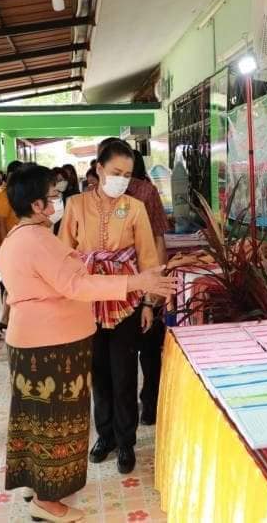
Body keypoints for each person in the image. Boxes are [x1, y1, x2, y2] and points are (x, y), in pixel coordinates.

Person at [0, 165, 177, 522]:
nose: (56, 203)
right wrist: (136, 282)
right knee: (55, 421)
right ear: (36, 204)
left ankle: (36, 484)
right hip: (51, 346)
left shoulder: (18, 237)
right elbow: (77, 286)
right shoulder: (39, 240)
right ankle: (48, 502)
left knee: (34, 418)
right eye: (51, 197)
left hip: (33, 340)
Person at [59, 140, 159, 474]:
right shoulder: (75, 205)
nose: (121, 180)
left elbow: (147, 257)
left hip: (126, 301)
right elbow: (63, 255)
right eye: (116, 172)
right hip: (87, 301)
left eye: (127, 175)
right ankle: (105, 436)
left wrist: (149, 303)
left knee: (125, 372)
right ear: (99, 169)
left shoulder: (135, 207)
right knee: (98, 372)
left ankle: (126, 441)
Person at [126, 149, 170, 425]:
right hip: (130, 284)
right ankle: (146, 406)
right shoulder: (147, 191)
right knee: (146, 351)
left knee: (141, 350)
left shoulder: (144, 192)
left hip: (135, 283)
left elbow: (157, 240)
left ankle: (144, 404)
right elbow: (160, 240)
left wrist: (155, 290)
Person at [0, 160, 23, 333]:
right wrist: (7, 244)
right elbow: (0, 222)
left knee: (15, 282)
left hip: (19, 242)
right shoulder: (4, 194)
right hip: (10, 243)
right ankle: (5, 318)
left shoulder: (15, 191)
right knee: (10, 283)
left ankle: (8, 318)